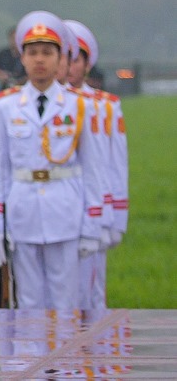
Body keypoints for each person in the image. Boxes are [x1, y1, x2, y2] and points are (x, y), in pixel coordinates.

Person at [0, 11, 106, 310]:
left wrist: (93, 227)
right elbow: (0, 170)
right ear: (22, 58)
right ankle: (30, 358)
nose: (39, 59)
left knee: (65, 300)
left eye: (47, 53)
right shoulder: (6, 105)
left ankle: (63, 358)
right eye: (32, 52)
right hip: (23, 210)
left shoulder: (80, 105)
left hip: (65, 210)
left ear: (60, 59)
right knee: (27, 301)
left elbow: (93, 169)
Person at [62, 19, 125, 310]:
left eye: (76, 59)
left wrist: (115, 218)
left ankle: (93, 354)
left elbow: (113, 165)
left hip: (96, 209)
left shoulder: (104, 105)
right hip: (58, 207)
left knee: (91, 291)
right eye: (65, 58)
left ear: (87, 64)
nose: (69, 66)